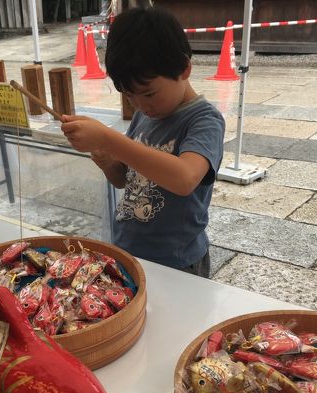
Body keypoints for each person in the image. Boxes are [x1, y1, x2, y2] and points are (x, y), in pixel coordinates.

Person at [60, 7, 225, 278]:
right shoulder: (144, 116)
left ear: (184, 69)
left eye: (148, 93)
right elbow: (125, 180)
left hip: (178, 261)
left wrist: (108, 138)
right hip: (128, 250)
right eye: (129, 95)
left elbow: (184, 178)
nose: (140, 105)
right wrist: (106, 160)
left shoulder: (204, 120)